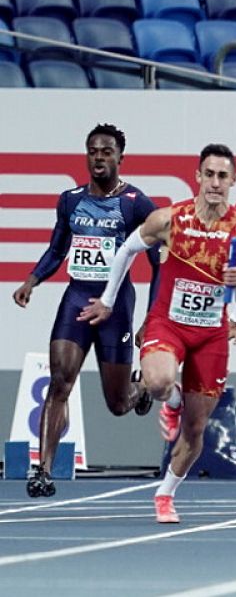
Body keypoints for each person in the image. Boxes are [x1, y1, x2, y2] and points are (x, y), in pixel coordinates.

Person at [81, 144, 236, 524]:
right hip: (169, 322)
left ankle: (165, 495)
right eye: (208, 174)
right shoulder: (169, 219)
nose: (215, 182)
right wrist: (108, 301)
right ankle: (171, 397)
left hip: (212, 334)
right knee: (158, 382)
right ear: (197, 176)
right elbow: (126, 250)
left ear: (234, 181)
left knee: (195, 429)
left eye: (222, 176)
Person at [11, 123, 158, 498]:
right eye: (93, 151)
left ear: (120, 158)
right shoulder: (70, 200)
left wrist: (150, 318)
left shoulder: (137, 204)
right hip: (76, 299)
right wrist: (32, 279)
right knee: (59, 382)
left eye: (106, 151)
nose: (98, 157)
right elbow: (57, 249)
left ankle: (139, 390)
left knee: (117, 403)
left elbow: (160, 265)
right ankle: (42, 471)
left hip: (115, 309)